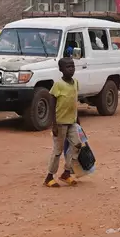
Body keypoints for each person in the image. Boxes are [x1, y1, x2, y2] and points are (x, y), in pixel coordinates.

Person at [44, 57, 82, 188]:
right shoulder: (58, 85)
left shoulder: (76, 82)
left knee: (77, 144)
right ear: (61, 69)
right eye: (68, 67)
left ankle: (66, 172)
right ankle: (49, 176)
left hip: (72, 121)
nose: (71, 69)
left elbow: (74, 102)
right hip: (60, 123)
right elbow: (52, 102)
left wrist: (78, 121)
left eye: (73, 66)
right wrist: (53, 123)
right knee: (58, 150)